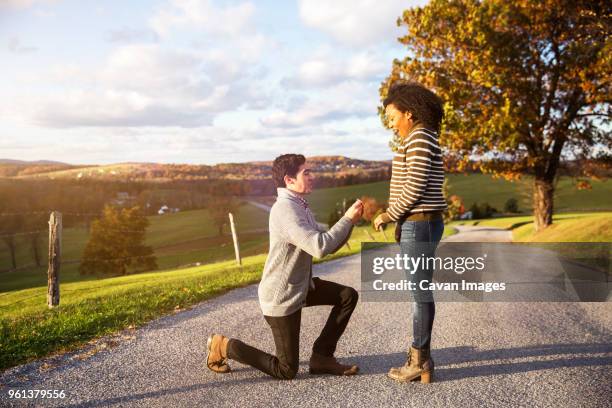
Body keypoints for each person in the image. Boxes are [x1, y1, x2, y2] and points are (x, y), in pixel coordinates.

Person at [206, 153, 363, 380]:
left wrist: (351, 222)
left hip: (300, 287)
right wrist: (347, 219)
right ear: (289, 180)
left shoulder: (299, 205)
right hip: (282, 296)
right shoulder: (286, 210)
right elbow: (320, 247)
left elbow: (327, 245)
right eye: (306, 173)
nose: (312, 177)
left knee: (347, 296)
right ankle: (224, 346)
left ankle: (322, 357)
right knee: (286, 369)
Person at [373, 82, 447, 383]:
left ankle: (419, 361)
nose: (392, 124)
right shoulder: (422, 137)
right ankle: (422, 358)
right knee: (421, 292)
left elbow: (414, 186)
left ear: (410, 113)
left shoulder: (418, 138)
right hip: (419, 222)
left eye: (393, 116)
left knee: (419, 294)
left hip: (419, 222)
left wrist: (388, 214)